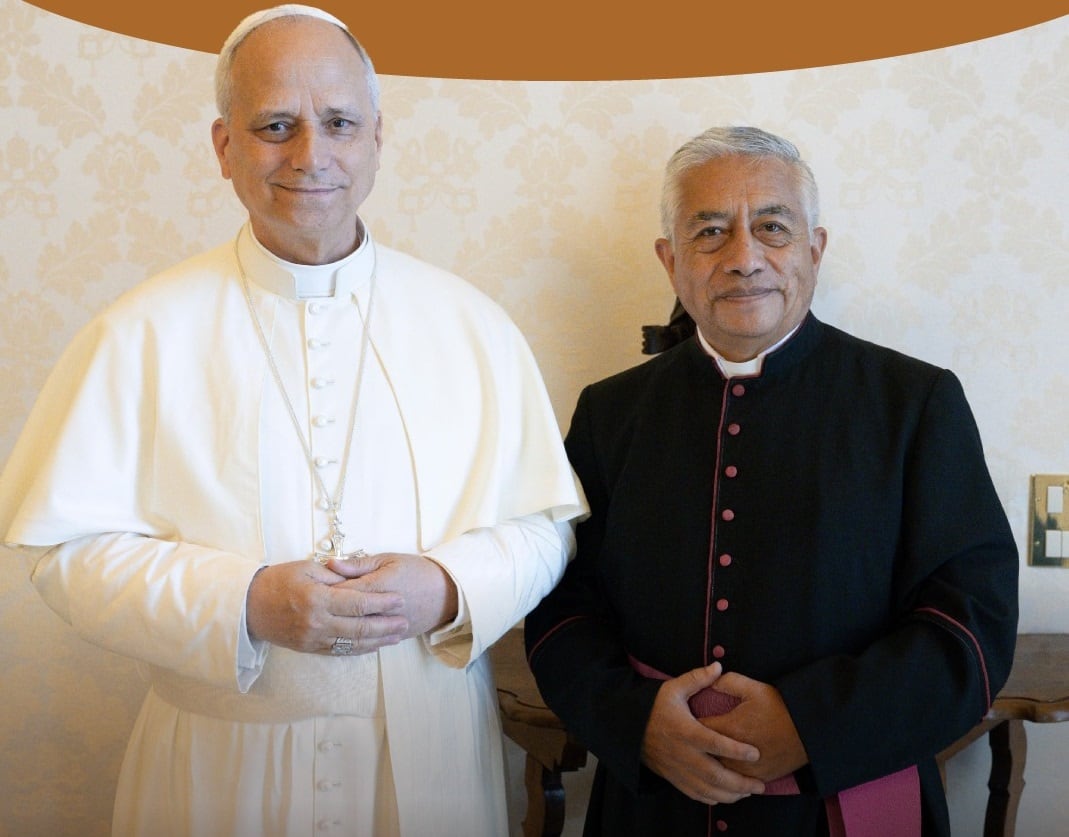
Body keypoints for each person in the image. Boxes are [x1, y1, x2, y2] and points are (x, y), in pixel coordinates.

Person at [0, 5, 586, 836]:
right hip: (219, 766)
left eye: (338, 122)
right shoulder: (140, 331)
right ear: (224, 146)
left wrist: (447, 585)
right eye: (276, 124)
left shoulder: (470, 324)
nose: (311, 155)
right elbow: (66, 553)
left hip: (429, 764)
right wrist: (241, 601)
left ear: (376, 138)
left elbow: (544, 527)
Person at [525, 126, 1018, 836]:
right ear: (670, 260)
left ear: (813, 250)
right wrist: (636, 724)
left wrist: (810, 725)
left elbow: (970, 624)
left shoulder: (912, 402)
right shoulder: (610, 413)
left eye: (771, 227)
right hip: (656, 804)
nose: (743, 258)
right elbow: (560, 602)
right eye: (710, 232)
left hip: (842, 802)